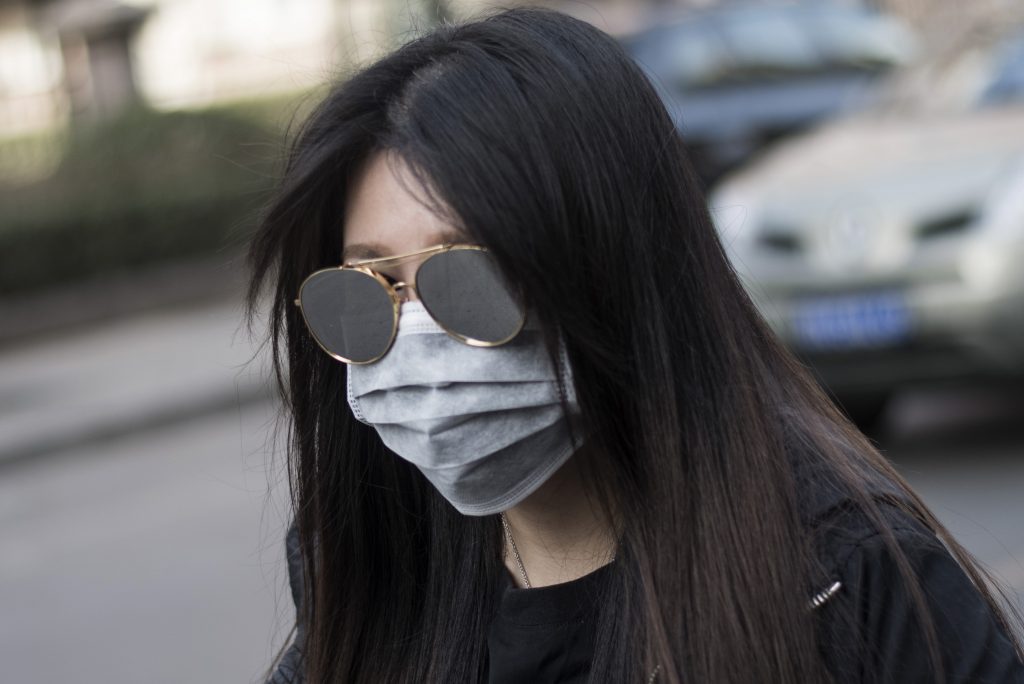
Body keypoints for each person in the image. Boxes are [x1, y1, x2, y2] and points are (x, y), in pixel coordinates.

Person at [245, 7, 1024, 683]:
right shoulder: (363, 562)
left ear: (610, 268)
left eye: (467, 276)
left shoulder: (845, 578)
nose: (415, 334)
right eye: (363, 290)